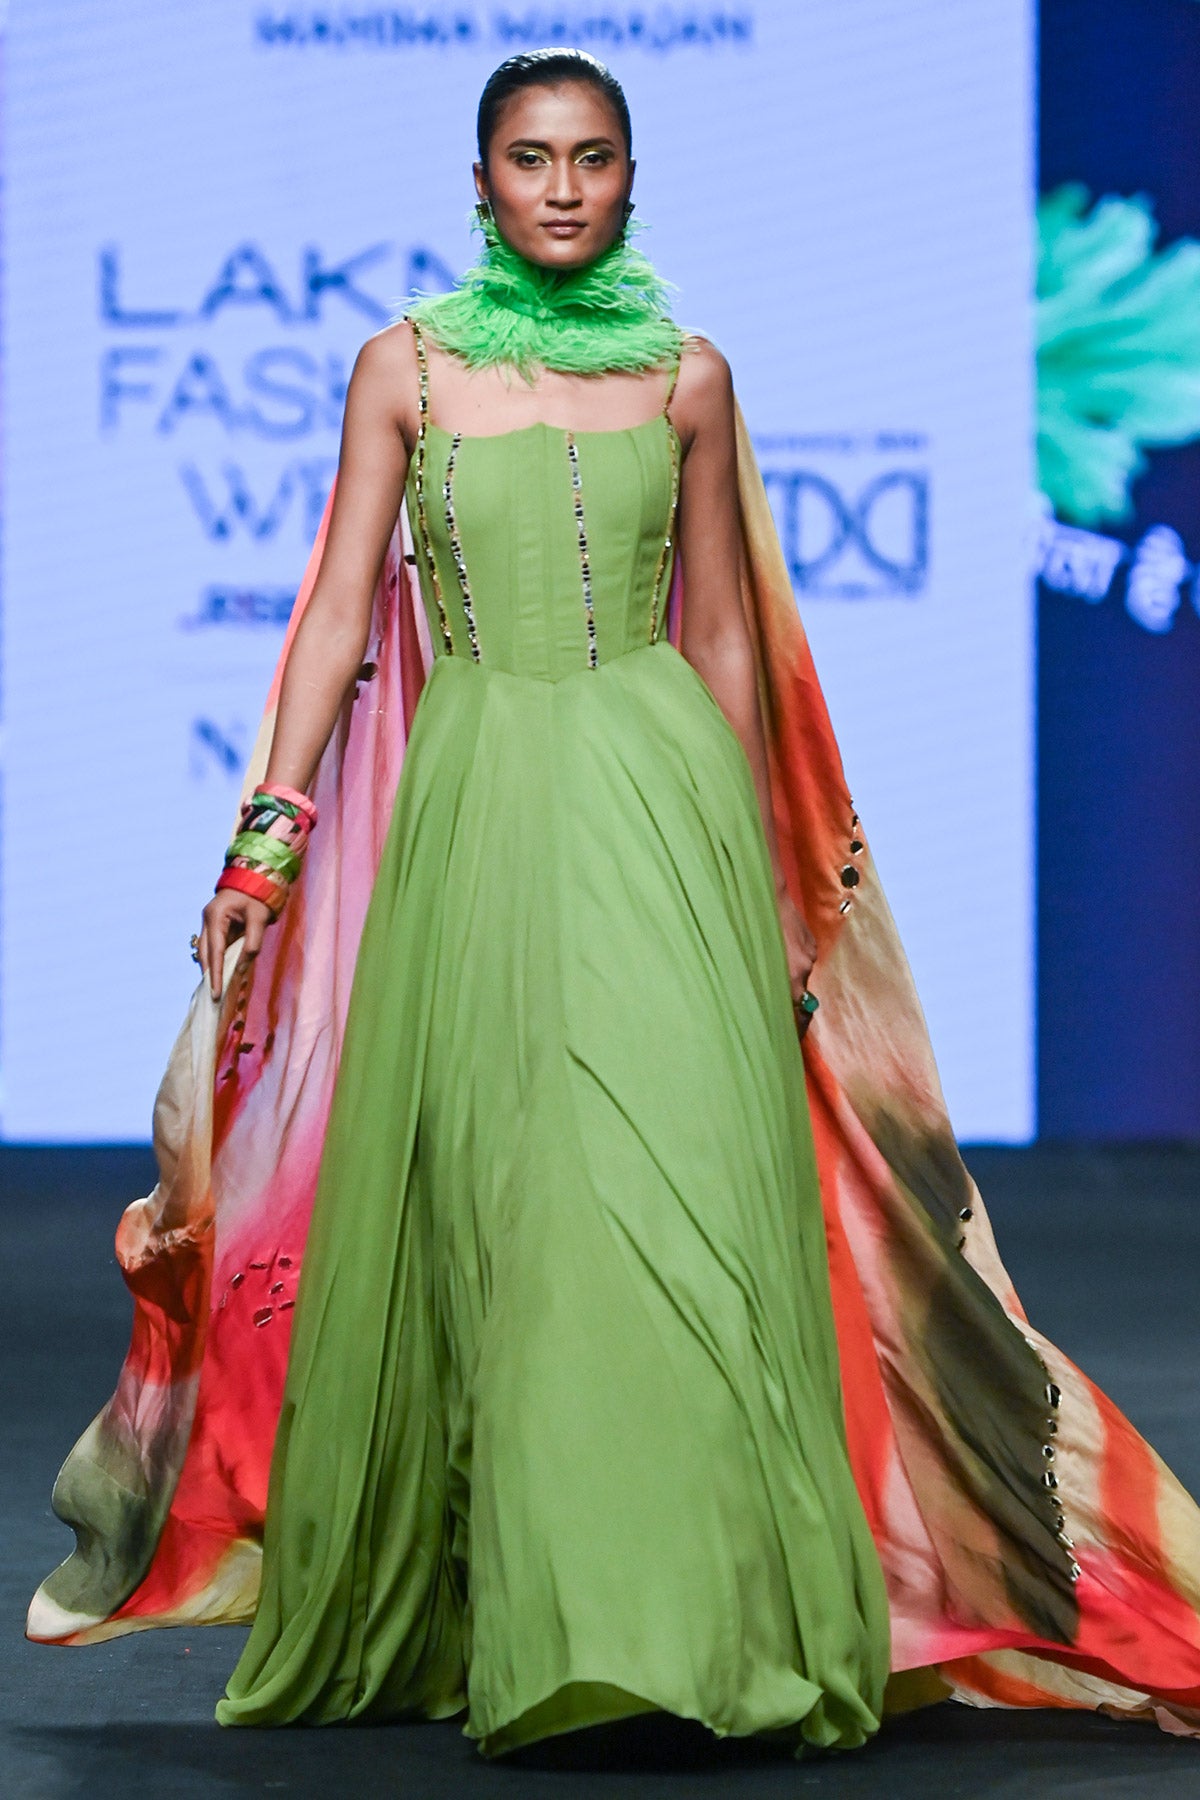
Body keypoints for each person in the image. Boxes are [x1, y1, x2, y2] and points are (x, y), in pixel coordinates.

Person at [28, 47, 1200, 1759]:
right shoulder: (406, 368)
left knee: (682, 1194)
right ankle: (554, 1616)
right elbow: (341, 614)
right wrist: (262, 847)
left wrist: (766, 874)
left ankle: (702, 1618)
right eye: (531, 157)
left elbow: (720, 633)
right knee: (515, 1209)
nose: (562, 186)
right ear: (481, 182)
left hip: (667, 810)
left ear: (631, 179)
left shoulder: (688, 377)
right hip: (480, 810)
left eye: (591, 157)